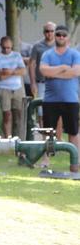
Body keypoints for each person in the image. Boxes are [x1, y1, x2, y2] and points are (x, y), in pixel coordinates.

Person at [39, 24, 80, 171]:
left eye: (63, 35)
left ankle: (75, 162)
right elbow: (44, 70)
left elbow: (75, 72)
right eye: (58, 35)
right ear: (54, 36)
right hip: (51, 100)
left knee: (73, 132)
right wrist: (63, 68)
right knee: (48, 132)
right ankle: (46, 159)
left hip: (71, 99)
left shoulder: (75, 54)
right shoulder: (48, 54)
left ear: (67, 37)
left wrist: (54, 72)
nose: (61, 37)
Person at [0, 36, 26, 138]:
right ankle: (8, 137)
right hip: (4, 89)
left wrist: (10, 71)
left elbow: (23, 71)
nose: (6, 50)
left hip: (17, 88)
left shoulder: (17, 55)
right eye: (4, 48)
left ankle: (19, 136)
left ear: (12, 47)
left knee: (20, 113)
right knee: (7, 114)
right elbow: (1, 76)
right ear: (1, 46)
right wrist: (16, 71)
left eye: (8, 48)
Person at [29, 22, 57, 127]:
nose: (49, 33)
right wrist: (32, 83)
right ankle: (44, 136)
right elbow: (31, 64)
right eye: (47, 31)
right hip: (41, 83)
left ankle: (56, 137)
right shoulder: (37, 46)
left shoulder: (59, 45)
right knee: (41, 110)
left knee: (57, 108)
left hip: (56, 82)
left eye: (51, 31)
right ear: (43, 32)